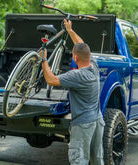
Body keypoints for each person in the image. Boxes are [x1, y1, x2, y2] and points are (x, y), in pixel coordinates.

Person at [40, 19, 105, 165]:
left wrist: (43, 59)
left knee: (79, 160)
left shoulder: (77, 75)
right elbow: (80, 44)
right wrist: (70, 30)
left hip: (83, 124)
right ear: (88, 55)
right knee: (97, 160)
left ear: (75, 58)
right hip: (97, 121)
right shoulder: (93, 66)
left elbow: (51, 80)